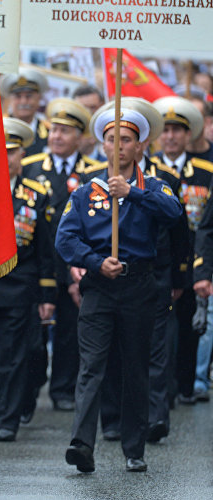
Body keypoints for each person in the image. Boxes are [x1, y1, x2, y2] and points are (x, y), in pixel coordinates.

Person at [57, 108, 181, 473]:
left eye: (126, 139)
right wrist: (95, 262)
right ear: (102, 143)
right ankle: (82, 444)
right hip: (99, 287)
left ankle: (134, 447)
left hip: (140, 287)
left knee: (134, 368)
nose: (118, 146)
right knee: (91, 366)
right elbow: (65, 240)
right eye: (112, 139)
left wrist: (133, 193)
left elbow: (174, 214)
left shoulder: (154, 186)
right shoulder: (85, 190)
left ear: (140, 145)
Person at [0, 118, 56, 442]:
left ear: (21, 155)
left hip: (18, 289)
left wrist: (47, 295)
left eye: (12, 152)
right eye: (0, 153)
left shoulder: (35, 195)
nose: (6, 159)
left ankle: (7, 420)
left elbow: (46, 250)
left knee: (13, 358)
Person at [20, 98, 104, 418]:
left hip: (74, 265)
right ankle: (27, 393)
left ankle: (63, 389)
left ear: (81, 137)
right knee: (31, 336)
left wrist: (76, 268)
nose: (56, 136)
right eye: (53, 129)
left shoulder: (92, 174)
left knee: (70, 331)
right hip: (36, 264)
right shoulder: (30, 165)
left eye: (65, 131)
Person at [149, 96, 213, 406]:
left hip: (194, 262)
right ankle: (165, 390)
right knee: (160, 332)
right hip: (161, 262)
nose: (171, 136)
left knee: (191, 327)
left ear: (189, 135)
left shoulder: (206, 171)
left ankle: (186, 386)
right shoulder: (149, 171)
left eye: (178, 130)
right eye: (167, 130)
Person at [1, 68, 50, 156]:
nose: (23, 102)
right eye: (18, 96)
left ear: (39, 98)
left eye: (29, 96)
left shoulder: (50, 133)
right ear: (10, 99)